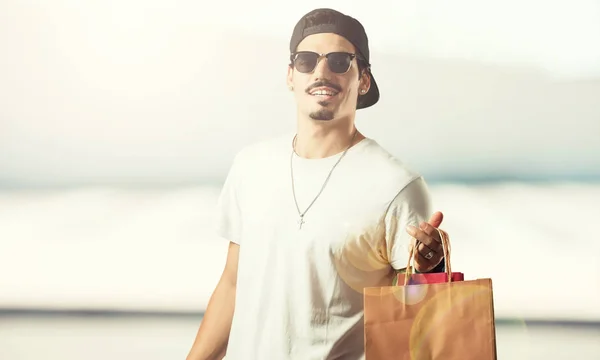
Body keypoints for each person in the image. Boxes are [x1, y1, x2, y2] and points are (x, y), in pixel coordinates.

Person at [186, 8, 447, 360]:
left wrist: (432, 269)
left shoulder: (397, 185)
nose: (322, 72)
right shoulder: (251, 166)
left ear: (364, 80)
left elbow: (415, 320)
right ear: (291, 75)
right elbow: (233, 285)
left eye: (340, 61)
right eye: (307, 60)